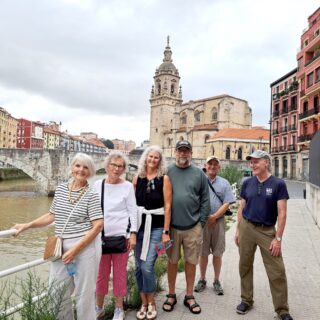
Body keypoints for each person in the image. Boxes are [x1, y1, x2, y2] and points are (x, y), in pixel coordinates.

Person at [12, 153, 104, 320]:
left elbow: (98, 226)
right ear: (72, 168)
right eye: (77, 165)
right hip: (60, 246)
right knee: (57, 292)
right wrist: (27, 226)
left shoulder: (92, 194)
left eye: (85, 167)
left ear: (90, 172)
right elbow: (51, 215)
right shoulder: (61, 189)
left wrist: (75, 250)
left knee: (84, 296)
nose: (81, 170)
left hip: (83, 247)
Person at [234, 150, 293, 320]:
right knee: (244, 265)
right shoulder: (247, 183)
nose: (252, 165)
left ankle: (282, 310)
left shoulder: (278, 184)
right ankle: (246, 300)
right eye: (251, 162)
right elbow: (241, 207)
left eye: (256, 161)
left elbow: (282, 213)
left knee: (277, 270)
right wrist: (238, 230)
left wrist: (278, 238)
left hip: (267, 231)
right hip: (246, 227)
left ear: (266, 162)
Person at [162, 140, 210, 315]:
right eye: (180, 151)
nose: (183, 154)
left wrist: (201, 222)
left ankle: (189, 295)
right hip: (172, 227)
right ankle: (171, 294)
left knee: (191, 262)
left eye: (186, 151)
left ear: (190, 153)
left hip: (193, 226)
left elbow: (206, 199)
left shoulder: (199, 173)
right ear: (175, 152)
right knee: (172, 261)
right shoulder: (167, 171)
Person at [94, 151, 137, 320]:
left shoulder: (127, 186)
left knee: (119, 274)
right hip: (100, 238)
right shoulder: (98, 185)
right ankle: (99, 306)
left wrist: (132, 234)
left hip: (121, 238)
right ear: (107, 166)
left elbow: (132, 212)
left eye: (121, 166)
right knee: (101, 274)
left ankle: (119, 308)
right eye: (114, 165)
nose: (117, 169)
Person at [133, 145, 172, 320]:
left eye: (156, 157)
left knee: (147, 266)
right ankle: (144, 302)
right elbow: (131, 206)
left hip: (157, 229)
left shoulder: (164, 179)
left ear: (160, 160)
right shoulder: (137, 178)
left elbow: (168, 206)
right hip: (139, 228)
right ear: (145, 158)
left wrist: (166, 231)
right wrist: (131, 231)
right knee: (138, 268)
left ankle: (152, 301)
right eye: (150, 157)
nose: (153, 160)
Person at [194, 156, 236, 295]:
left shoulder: (224, 183)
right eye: (210, 164)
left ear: (219, 167)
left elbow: (227, 203)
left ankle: (217, 280)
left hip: (218, 222)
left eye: (215, 164)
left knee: (218, 253)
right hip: (203, 222)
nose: (212, 166)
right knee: (203, 253)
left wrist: (215, 216)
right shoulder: (199, 181)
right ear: (206, 165)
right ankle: (202, 279)